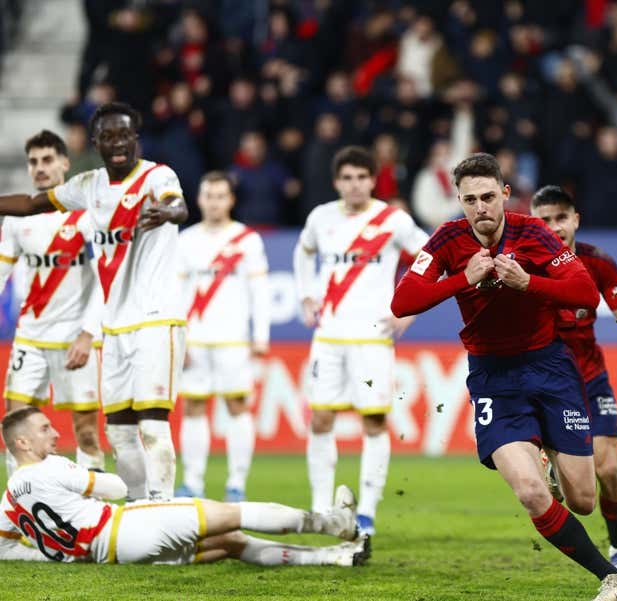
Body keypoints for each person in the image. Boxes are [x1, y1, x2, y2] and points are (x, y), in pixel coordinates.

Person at [391, 153, 617, 601]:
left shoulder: (534, 234)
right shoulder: (448, 239)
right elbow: (403, 301)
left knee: (582, 500)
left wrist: (529, 284)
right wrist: (461, 278)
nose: (480, 207)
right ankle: (611, 578)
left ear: (504, 194)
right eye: (470, 200)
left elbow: (584, 294)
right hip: (493, 378)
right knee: (529, 491)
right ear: (459, 201)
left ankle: (547, 454)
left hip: (551, 369)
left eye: (488, 196)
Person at [0, 102, 189, 501]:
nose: (118, 143)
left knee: (153, 424)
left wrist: (167, 211)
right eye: (108, 136)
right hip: (114, 325)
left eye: (125, 135)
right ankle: (139, 509)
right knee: (119, 431)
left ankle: (164, 514)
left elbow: (178, 204)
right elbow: (33, 205)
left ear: (135, 138)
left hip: (156, 319)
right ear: (96, 143)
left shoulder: (157, 175)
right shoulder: (89, 186)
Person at [0, 406, 366, 566]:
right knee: (235, 515)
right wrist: (88, 477)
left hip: (114, 556)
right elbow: (114, 489)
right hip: (125, 525)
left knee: (231, 544)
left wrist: (52, 553)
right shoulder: (50, 469)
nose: (55, 432)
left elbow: (5, 548)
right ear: (22, 444)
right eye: (44, 428)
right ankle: (334, 525)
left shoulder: (8, 501)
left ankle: (333, 557)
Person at [293, 146, 429, 536]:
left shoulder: (393, 220)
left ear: (373, 180)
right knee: (320, 418)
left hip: (373, 338)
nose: (354, 185)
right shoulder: (321, 217)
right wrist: (305, 293)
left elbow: (430, 260)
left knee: (373, 420)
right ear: (337, 182)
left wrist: (409, 309)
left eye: (362, 177)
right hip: (329, 336)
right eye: (347, 178)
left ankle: (367, 512)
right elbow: (303, 253)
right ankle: (320, 509)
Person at [531, 186, 617, 575]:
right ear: (533, 223)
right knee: (568, 492)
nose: (554, 227)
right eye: (544, 220)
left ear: (575, 220)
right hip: (543, 382)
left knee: (610, 470)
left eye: (561, 218)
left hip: (590, 380)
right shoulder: (522, 262)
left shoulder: (597, 263)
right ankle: (548, 459)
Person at [0, 130, 104, 478]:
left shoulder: (87, 217)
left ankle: (90, 514)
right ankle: (21, 510)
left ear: (65, 163)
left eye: (47, 160)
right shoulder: (18, 218)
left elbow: (106, 280)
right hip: (30, 337)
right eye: (33, 162)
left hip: (76, 339)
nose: (40, 168)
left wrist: (89, 335)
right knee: (16, 430)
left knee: (87, 432)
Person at [175, 171, 271, 502]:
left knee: (237, 406)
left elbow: (259, 292)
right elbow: (175, 293)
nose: (214, 202)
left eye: (220, 196)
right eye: (208, 195)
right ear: (199, 199)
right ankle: (192, 483)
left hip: (233, 339)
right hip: (195, 340)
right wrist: (177, 336)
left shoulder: (246, 240)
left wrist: (261, 337)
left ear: (231, 199)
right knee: (193, 408)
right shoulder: (185, 240)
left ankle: (236, 484)